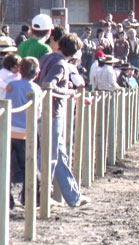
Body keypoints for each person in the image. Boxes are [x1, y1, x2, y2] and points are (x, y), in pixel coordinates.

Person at [34, 33, 90, 207]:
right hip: (52, 113)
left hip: (41, 112)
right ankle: (44, 195)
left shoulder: (45, 58)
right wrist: (69, 92)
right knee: (50, 156)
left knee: (59, 155)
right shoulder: (61, 65)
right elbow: (49, 85)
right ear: (74, 52)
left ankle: (72, 196)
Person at [5, 57, 42, 208]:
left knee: (7, 166)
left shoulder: (11, 86)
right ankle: (29, 197)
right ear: (36, 74)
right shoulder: (36, 89)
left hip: (9, 130)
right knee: (29, 166)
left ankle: (7, 199)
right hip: (26, 132)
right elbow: (38, 113)